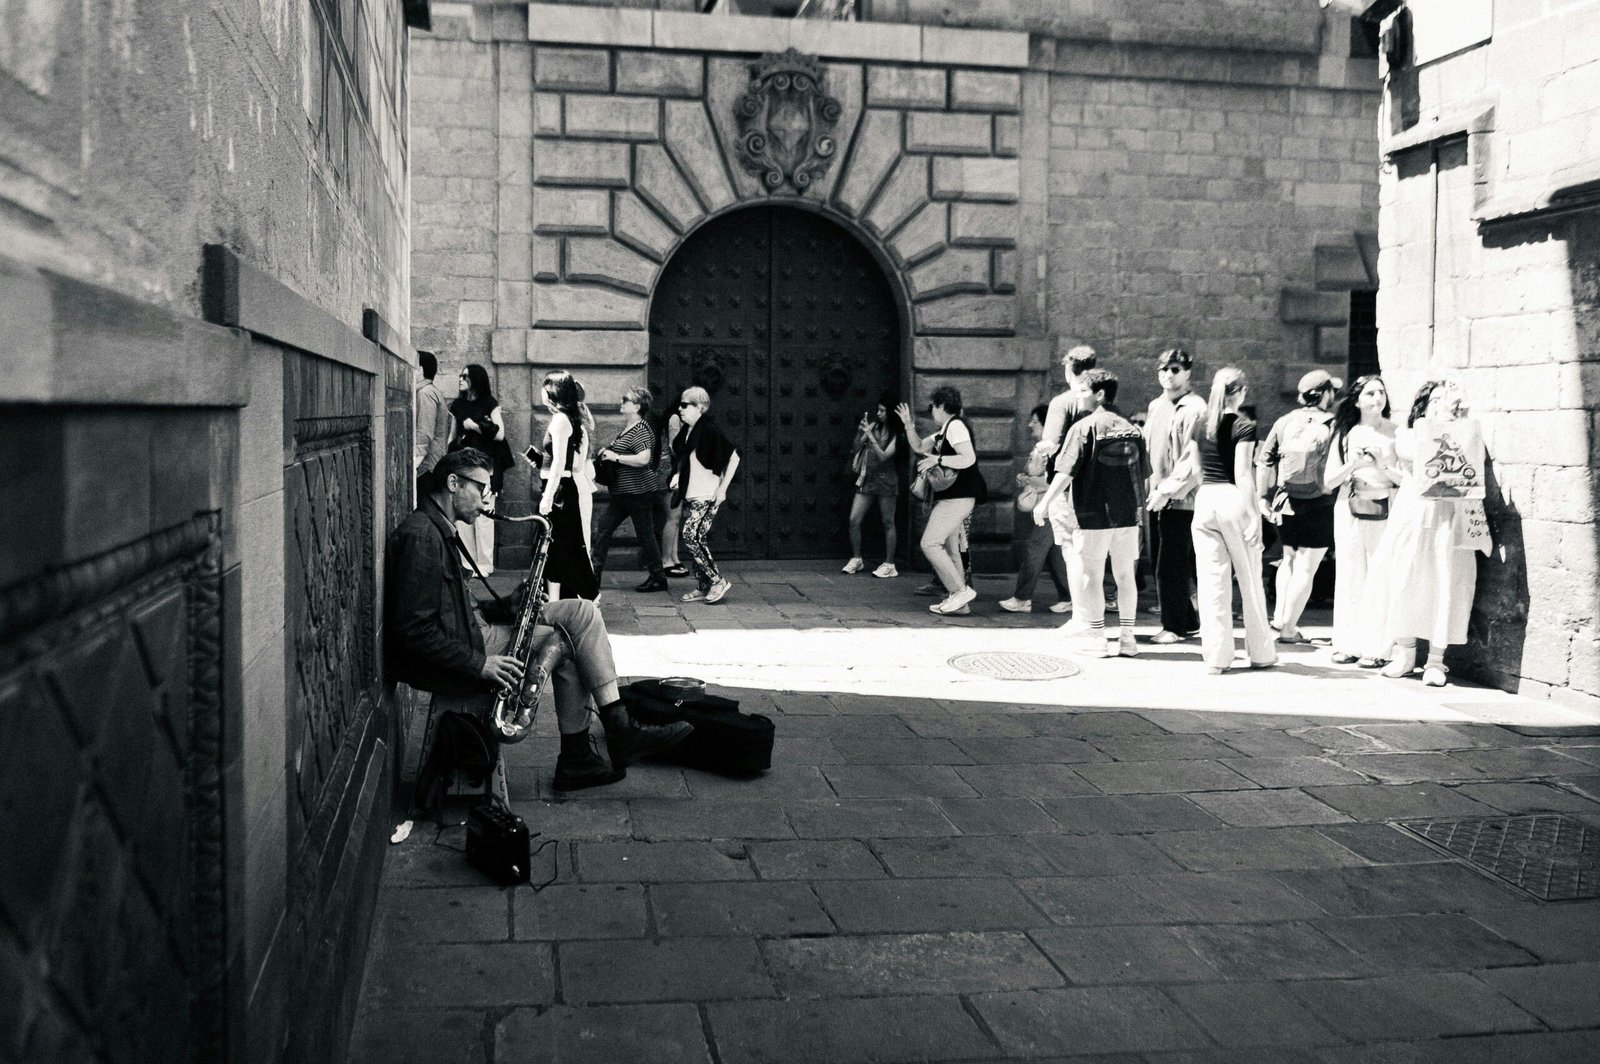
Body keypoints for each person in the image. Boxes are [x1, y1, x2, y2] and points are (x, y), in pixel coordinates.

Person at [385, 448, 692, 793]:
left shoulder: (438, 527)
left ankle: (614, 727)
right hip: (466, 647)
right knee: (568, 643)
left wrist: (506, 606)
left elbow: (456, 604)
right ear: (453, 483)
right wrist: (479, 664)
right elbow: (412, 630)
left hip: (469, 631)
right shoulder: (422, 537)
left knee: (582, 612)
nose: (487, 499)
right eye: (481, 488)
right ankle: (586, 751)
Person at [1359, 380, 1485, 687]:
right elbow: (1417, 455)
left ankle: (1436, 661)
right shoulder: (1408, 434)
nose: (1442, 404)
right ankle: (1405, 653)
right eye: (1435, 399)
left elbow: (1472, 462)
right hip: (1413, 514)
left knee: (1446, 581)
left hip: (1448, 517)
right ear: (1423, 405)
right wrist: (1441, 423)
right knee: (1402, 579)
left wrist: (1459, 423)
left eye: (1447, 399)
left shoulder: (1464, 433)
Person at [1151, 367, 1276, 674]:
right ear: (1242, 392)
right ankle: (1260, 652)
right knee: (1249, 580)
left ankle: (1216, 658)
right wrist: (1254, 516)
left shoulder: (1200, 424)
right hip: (1233, 498)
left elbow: (1194, 472)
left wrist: (1166, 493)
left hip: (1205, 500)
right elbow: (1244, 473)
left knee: (1211, 583)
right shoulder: (1244, 426)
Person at [1034, 370, 1148, 657]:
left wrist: (1044, 502)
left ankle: (1097, 638)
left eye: (1083, 391)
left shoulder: (1083, 428)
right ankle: (1127, 638)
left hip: (1094, 513)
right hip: (1128, 516)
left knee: (1092, 577)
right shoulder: (1133, 429)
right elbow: (1144, 475)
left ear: (1099, 394)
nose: (1078, 396)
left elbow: (1065, 473)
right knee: (1125, 576)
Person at [1257, 369, 1341, 644]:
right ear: (1325, 393)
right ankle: (1290, 629)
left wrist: (1262, 497)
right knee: (1307, 566)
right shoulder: (1333, 423)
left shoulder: (1284, 422)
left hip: (1286, 501)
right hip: (1320, 501)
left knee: (1289, 560)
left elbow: (1265, 460)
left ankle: (1280, 618)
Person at [1323, 375, 1400, 665]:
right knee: (1350, 574)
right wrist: (1353, 463)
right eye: (1370, 393)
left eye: (1381, 392)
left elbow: (1406, 479)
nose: (1377, 398)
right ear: (1357, 400)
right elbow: (1329, 481)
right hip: (1350, 507)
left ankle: (1378, 648)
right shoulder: (1345, 433)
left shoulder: (1395, 433)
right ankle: (1347, 644)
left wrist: (1383, 464)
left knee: (1381, 575)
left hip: (1386, 505)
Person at [897, 388, 988, 616]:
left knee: (929, 543)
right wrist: (909, 425)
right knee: (952, 549)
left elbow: (968, 458)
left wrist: (937, 459)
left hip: (958, 497)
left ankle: (959, 591)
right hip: (955, 497)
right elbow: (919, 447)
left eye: (932, 408)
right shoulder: (946, 429)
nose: (931, 413)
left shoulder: (955, 426)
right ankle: (960, 602)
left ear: (940, 406)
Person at [1143, 348, 1205, 643]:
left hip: (1181, 498)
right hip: (1156, 496)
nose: (1169, 375)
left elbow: (1193, 461)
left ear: (1188, 372)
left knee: (1172, 564)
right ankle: (1189, 621)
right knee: (1162, 560)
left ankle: (1174, 627)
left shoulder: (1195, 408)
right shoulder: (1157, 405)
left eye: (1176, 369)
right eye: (1164, 369)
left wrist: (1168, 492)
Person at [591, 387, 669, 593]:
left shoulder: (642, 428)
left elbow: (644, 459)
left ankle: (658, 577)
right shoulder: (629, 427)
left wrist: (615, 457)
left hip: (639, 492)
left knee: (645, 534)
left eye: (626, 399)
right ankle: (594, 574)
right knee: (604, 526)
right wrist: (607, 452)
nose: (621, 401)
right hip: (622, 493)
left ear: (637, 406)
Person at [999, 402, 1074, 613]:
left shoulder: (1055, 449)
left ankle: (1023, 598)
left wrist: (1030, 481)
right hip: (1047, 508)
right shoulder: (1042, 447)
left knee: (1033, 550)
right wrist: (1026, 479)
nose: (1030, 424)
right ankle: (1069, 597)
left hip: (1052, 509)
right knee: (1055, 556)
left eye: (1035, 421)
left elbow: (1057, 482)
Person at [672, 386, 740, 604]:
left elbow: (734, 457)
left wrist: (723, 489)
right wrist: (678, 476)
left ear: (700, 407)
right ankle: (703, 586)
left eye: (685, 405)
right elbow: (687, 459)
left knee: (690, 536)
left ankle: (717, 580)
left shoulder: (709, 429)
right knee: (696, 537)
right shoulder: (689, 431)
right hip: (693, 493)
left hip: (708, 493)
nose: (680, 409)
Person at [537, 371, 600, 601]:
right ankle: (558, 600)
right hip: (560, 488)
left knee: (562, 547)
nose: (541, 391)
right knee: (560, 547)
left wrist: (547, 496)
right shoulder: (563, 418)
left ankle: (583, 597)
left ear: (553, 391)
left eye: (545, 386)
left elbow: (561, 462)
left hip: (561, 491)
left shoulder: (561, 420)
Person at [448, 363, 510, 575]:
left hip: (485, 467)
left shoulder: (490, 403)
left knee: (484, 514)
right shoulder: (457, 405)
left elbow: (500, 434)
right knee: (463, 512)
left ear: (476, 380)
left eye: (465, 376)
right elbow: (452, 436)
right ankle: (468, 563)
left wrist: (475, 427)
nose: (460, 379)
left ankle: (484, 563)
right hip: (464, 465)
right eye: (460, 375)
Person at [843, 398, 901, 579]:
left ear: (890, 413)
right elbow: (856, 447)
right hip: (867, 479)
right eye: (878, 410)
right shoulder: (874, 426)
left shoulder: (897, 434)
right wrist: (861, 433)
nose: (879, 413)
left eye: (883, 410)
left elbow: (884, 456)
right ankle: (856, 558)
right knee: (854, 519)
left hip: (886, 481)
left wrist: (870, 437)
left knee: (888, 522)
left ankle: (890, 564)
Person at [414, 350, 452, 499]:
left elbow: (424, 435)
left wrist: (414, 465)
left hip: (426, 469)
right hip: (432, 466)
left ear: (420, 370)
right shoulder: (430, 392)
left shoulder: (425, 393)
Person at [658, 408, 688, 578]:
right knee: (673, 517)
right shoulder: (675, 418)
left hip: (673, 472)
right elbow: (675, 446)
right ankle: (666, 561)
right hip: (670, 473)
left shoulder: (676, 417)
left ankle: (674, 557)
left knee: (675, 518)